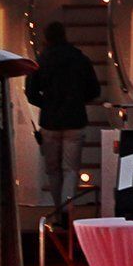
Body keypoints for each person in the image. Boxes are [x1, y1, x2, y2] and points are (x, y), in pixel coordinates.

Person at [24, 21, 101, 212]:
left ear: (46, 37)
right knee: (71, 169)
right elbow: (94, 90)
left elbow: (31, 93)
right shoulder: (79, 58)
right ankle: (67, 209)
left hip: (50, 121)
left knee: (53, 170)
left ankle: (58, 208)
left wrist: (47, 103)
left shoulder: (41, 61)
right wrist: (77, 101)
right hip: (75, 120)